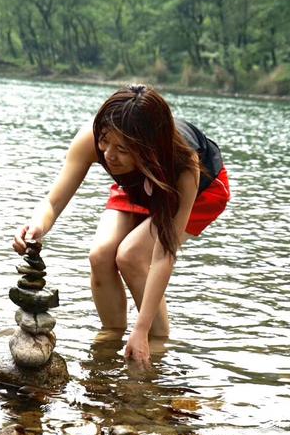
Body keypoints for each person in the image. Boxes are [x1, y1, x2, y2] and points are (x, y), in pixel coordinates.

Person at [13, 84, 230, 365]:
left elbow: (164, 253)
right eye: (105, 141)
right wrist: (36, 226)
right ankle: (111, 339)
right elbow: (53, 202)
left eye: (122, 149)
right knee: (101, 255)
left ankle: (154, 345)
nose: (108, 155)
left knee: (131, 255)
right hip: (137, 184)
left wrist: (140, 329)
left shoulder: (185, 164)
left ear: (147, 148)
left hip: (200, 191)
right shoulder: (94, 140)